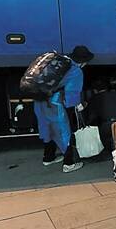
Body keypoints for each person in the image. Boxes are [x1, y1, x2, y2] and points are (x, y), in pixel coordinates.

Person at [34, 45, 94, 173]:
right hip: (55, 104)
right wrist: (79, 105)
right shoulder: (76, 71)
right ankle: (69, 163)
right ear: (83, 62)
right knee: (63, 132)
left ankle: (48, 158)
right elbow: (72, 96)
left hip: (40, 100)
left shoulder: (59, 62)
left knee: (46, 128)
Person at [85, 77, 116, 151]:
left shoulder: (95, 98)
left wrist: (86, 124)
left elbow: (92, 116)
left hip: (108, 125)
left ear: (95, 90)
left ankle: (109, 150)